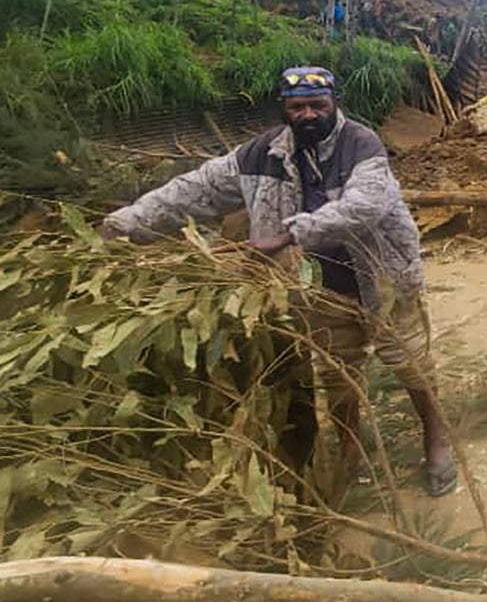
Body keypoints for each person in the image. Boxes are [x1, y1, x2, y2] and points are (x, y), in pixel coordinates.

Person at [98, 67, 457, 495]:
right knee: (337, 374)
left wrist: (288, 235)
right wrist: (127, 221)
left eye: (317, 105)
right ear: (284, 109)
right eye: (297, 107)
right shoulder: (259, 155)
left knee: (410, 362)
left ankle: (435, 438)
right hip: (317, 288)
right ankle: (351, 450)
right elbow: (195, 190)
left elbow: (364, 207)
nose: (308, 114)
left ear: (334, 104)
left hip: (383, 279)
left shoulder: (361, 145)